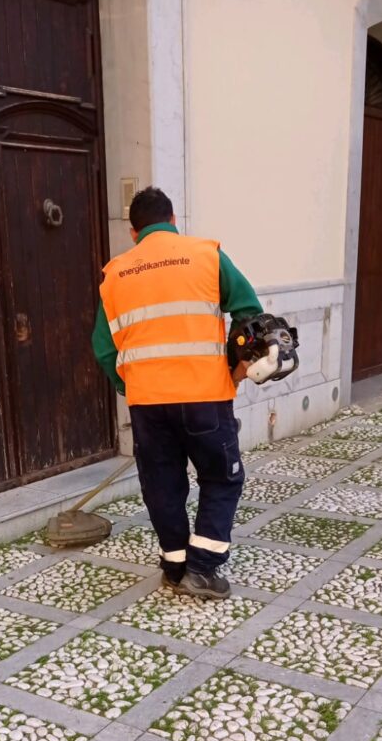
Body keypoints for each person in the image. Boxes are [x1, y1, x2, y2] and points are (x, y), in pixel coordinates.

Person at [92, 186, 263, 600]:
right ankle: (202, 570)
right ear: (173, 221)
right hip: (205, 396)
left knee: (162, 484)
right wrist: (239, 367)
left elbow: (104, 348)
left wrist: (128, 384)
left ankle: (175, 566)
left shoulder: (115, 274)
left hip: (148, 404)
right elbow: (250, 314)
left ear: (134, 232)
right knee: (220, 477)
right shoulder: (206, 255)